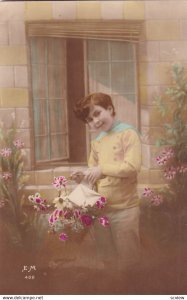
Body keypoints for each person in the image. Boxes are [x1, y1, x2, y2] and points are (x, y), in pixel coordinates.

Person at [72, 92, 142, 277]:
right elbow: (93, 170)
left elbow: (132, 167)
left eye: (97, 113)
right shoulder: (97, 141)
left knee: (129, 260)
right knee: (107, 258)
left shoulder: (128, 133)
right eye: (89, 119)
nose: (95, 121)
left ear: (110, 109)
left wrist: (102, 169)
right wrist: (84, 176)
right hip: (102, 210)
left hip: (125, 209)